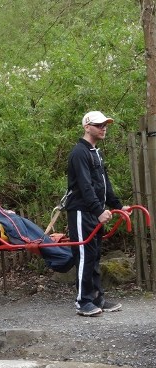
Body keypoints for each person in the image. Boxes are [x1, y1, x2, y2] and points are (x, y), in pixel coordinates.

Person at [0, 148, 73, 272]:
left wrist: (3, 210)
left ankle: (63, 253)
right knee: (25, 233)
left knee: (24, 223)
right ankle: (62, 258)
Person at [66, 111, 128, 316]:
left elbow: (104, 184)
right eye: (99, 125)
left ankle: (97, 297)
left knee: (94, 255)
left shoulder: (96, 153)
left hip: (94, 212)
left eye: (105, 125)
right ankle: (83, 301)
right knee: (84, 255)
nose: (104, 128)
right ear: (87, 127)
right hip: (81, 212)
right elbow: (85, 186)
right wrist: (98, 210)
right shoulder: (79, 153)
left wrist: (117, 205)